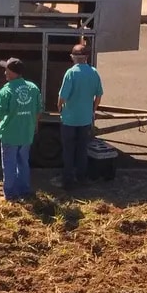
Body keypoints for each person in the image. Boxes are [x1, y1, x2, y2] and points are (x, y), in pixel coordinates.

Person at [0, 57, 41, 200]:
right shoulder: (33, 88)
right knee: (23, 163)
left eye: (6, 70)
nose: (4, 73)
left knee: (9, 165)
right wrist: (35, 126)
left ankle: (10, 194)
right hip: (26, 133)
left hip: (10, 134)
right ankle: (24, 190)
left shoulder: (6, 91)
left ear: (12, 72)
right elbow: (38, 110)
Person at [56, 42, 103, 189]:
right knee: (82, 150)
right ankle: (81, 178)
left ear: (72, 57)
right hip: (85, 119)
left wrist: (60, 108)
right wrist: (92, 110)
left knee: (68, 150)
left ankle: (68, 179)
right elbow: (99, 95)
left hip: (69, 119)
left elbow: (62, 96)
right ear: (86, 57)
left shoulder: (71, 73)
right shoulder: (94, 72)